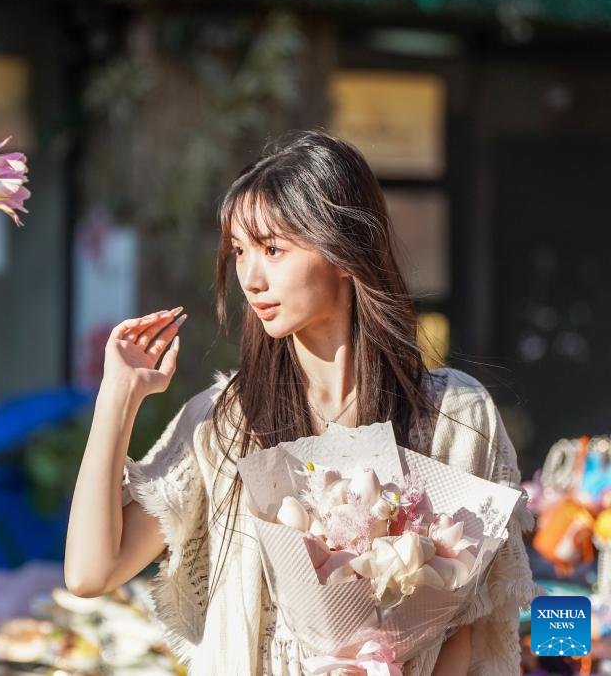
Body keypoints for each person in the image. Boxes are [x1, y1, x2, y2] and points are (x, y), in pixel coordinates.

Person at [63, 130, 541, 675]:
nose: (251, 277)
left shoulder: (455, 416)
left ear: (344, 251)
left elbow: (473, 626)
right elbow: (89, 573)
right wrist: (117, 398)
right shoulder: (227, 422)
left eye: (273, 249)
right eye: (240, 252)